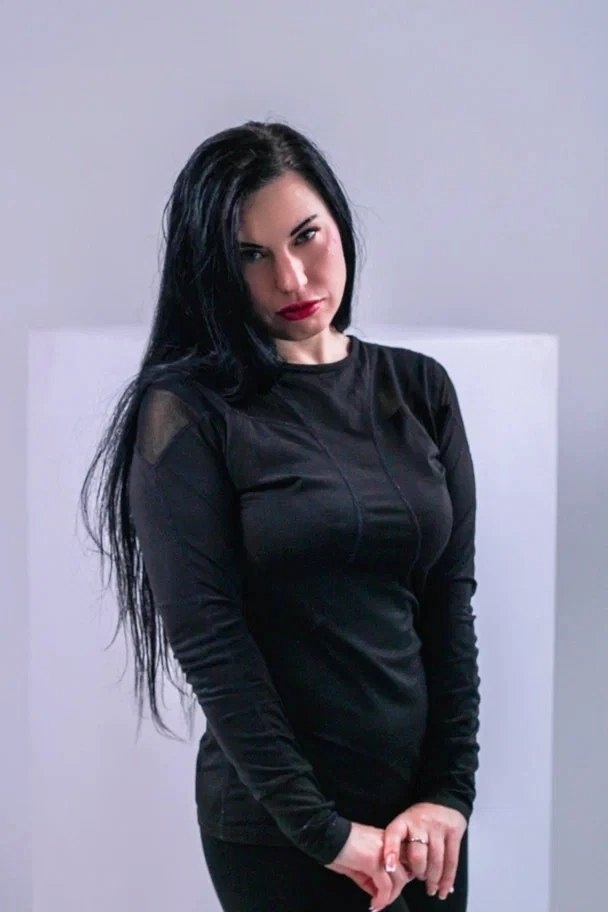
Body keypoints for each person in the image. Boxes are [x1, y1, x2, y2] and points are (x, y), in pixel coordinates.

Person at [80, 120, 480, 912]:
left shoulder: (420, 389)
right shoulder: (188, 411)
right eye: (250, 255)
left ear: (339, 223)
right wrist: (324, 833)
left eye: (306, 236)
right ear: (213, 272)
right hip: (282, 833)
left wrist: (448, 796)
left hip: (420, 828)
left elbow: (448, 603)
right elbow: (210, 639)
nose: (291, 276)